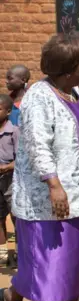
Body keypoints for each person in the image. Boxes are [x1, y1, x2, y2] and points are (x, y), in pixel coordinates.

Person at [2, 32, 79, 301]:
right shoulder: (39, 95)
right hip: (49, 196)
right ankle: (13, 295)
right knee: (46, 261)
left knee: (77, 258)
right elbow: (37, 145)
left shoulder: (74, 94)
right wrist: (54, 185)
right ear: (66, 68)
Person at [0, 96, 18, 268]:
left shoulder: (14, 132)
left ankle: (20, 252)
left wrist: (5, 167)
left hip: (11, 180)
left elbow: (22, 160)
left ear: (8, 112)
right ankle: (3, 253)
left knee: (16, 215)